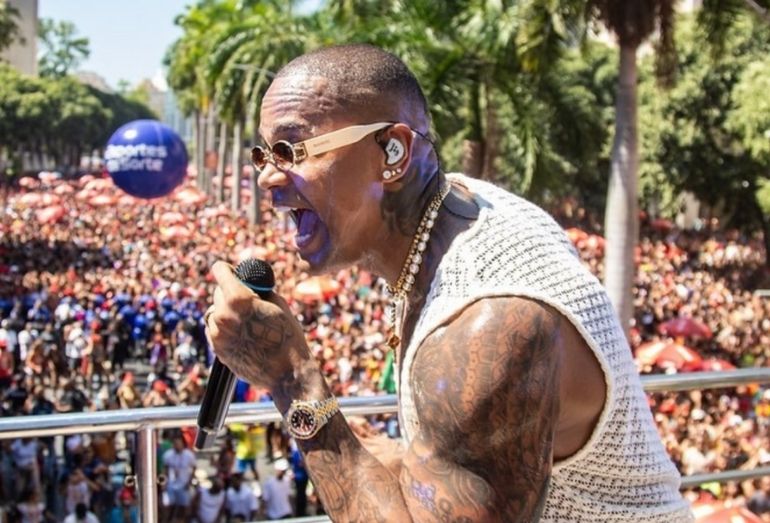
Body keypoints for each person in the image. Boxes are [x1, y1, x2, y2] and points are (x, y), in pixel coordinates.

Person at [205, 44, 694, 521]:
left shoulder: (489, 320)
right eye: (263, 154)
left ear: (392, 152)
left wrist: (292, 377)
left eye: (290, 150)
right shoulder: (459, 208)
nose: (267, 177)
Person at [162, 434, 196, 522]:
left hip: (184, 485)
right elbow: (165, 470)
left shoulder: (189, 455)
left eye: (179, 443)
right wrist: (164, 484)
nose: (177, 445)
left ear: (182, 444)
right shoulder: (168, 455)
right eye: (175, 443)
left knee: (183, 507)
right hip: (171, 485)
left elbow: (193, 468)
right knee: (168, 507)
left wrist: (190, 482)